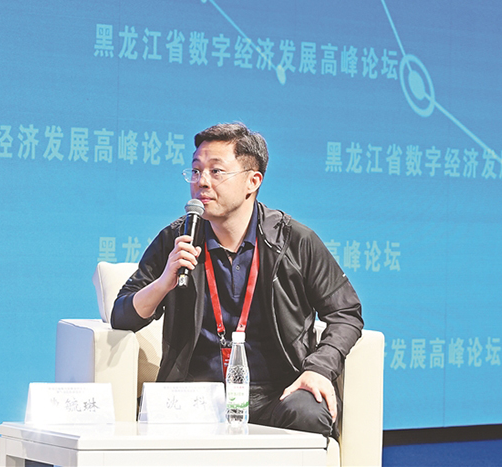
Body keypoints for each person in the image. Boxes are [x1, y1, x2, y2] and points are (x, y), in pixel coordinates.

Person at [111, 122, 363, 438]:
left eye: (216, 172)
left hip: (276, 393)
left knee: (309, 413)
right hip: (198, 396)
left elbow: (346, 312)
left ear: (252, 181)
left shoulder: (294, 241)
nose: (201, 182)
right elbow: (121, 316)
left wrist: (319, 368)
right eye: (196, 171)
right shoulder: (177, 240)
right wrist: (163, 283)